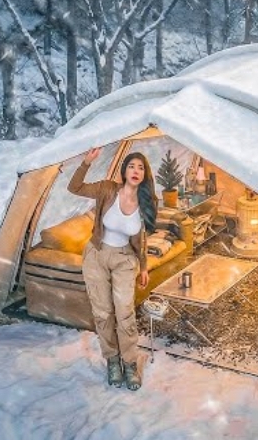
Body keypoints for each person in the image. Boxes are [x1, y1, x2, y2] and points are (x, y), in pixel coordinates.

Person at [68, 148, 158, 390]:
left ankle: (129, 364)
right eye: (132, 166)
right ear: (124, 170)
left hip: (123, 260)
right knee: (103, 313)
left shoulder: (147, 202)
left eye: (141, 167)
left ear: (145, 173)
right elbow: (74, 188)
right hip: (97, 255)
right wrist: (86, 162)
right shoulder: (107, 189)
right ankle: (112, 361)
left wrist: (143, 266)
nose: (136, 171)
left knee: (125, 313)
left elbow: (142, 238)